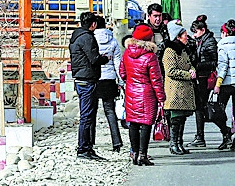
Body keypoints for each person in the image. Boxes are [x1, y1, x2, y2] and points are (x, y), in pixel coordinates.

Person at [68, 12, 110, 161]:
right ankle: (83, 149)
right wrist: (105, 58)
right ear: (93, 25)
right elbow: (94, 59)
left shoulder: (76, 36)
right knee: (87, 116)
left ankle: (87, 147)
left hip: (81, 79)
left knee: (88, 115)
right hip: (87, 80)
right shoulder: (87, 37)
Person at [121, 25, 165, 166]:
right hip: (147, 93)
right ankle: (143, 154)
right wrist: (161, 97)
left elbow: (122, 73)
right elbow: (156, 80)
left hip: (131, 91)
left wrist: (131, 82)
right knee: (146, 123)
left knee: (133, 123)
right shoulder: (150, 56)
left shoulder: (127, 53)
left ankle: (134, 153)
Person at [161, 21, 198, 155]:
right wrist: (188, 74)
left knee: (182, 119)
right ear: (177, 36)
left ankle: (180, 143)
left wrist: (192, 70)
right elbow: (170, 71)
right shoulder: (170, 52)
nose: (186, 37)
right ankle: (173, 144)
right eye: (184, 35)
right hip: (174, 92)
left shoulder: (183, 51)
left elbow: (189, 65)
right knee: (175, 120)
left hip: (184, 91)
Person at [214, 19, 235, 151]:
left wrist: (218, 84)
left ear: (224, 33)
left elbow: (222, 68)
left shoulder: (222, 48)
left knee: (217, 111)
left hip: (226, 85)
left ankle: (226, 134)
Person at [93, 15, 123, 155]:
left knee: (90, 112)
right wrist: (121, 81)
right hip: (109, 79)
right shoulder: (113, 41)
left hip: (94, 78)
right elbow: (118, 64)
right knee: (110, 111)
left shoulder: (91, 40)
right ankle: (116, 141)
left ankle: (90, 141)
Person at [188, 15, 219, 147]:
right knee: (201, 107)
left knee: (201, 107)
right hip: (200, 78)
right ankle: (200, 135)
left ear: (203, 30)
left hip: (205, 78)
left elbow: (214, 61)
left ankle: (201, 136)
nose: (194, 35)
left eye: (196, 32)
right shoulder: (201, 41)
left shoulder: (209, 42)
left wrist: (197, 66)